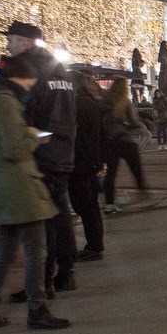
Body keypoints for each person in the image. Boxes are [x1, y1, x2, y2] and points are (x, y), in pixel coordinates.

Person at [0, 54, 69, 331]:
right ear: (22, 78)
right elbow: (13, 148)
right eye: (31, 82)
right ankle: (37, 309)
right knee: (36, 251)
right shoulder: (5, 102)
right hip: (18, 185)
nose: (31, 87)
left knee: (5, 253)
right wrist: (34, 135)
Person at [3, 21, 76, 296]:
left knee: (40, 219)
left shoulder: (26, 68)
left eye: (10, 40)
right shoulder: (62, 70)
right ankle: (66, 273)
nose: (8, 46)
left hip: (40, 151)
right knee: (60, 213)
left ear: (24, 41)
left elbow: (24, 112)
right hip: (64, 148)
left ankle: (41, 281)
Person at [67, 73, 109, 263]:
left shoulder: (79, 105)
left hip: (80, 161)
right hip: (90, 160)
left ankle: (94, 245)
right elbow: (100, 134)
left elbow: (80, 136)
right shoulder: (92, 104)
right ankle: (95, 244)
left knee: (85, 205)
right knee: (90, 204)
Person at [102, 78, 147, 215]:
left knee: (110, 175)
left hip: (111, 142)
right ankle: (143, 193)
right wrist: (137, 126)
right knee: (136, 170)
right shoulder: (125, 102)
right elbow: (133, 121)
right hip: (126, 140)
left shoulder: (104, 103)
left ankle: (109, 204)